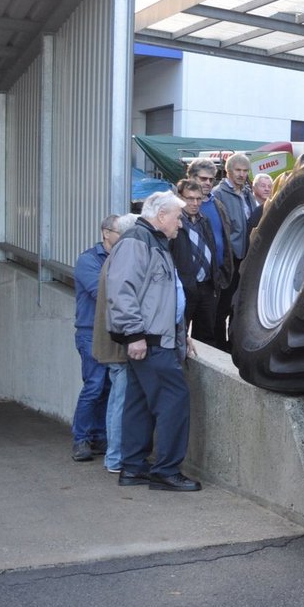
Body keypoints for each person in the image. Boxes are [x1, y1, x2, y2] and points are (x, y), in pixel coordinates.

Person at [105, 191, 201, 492]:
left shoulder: (150, 240)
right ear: (161, 216)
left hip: (154, 339)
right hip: (149, 340)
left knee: (139, 403)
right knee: (175, 400)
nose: (181, 224)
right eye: (177, 218)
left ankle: (133, 467)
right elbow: (122, 290)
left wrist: (179, 334)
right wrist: (134, 334)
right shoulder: (138, 241)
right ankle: (166, 471)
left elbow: (160, 296)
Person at [70, 215, 120, 461]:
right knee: (94, 385)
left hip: (111, 331)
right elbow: (100, 291)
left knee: (108, 385)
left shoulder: (120, 258)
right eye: (119, 231)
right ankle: (81, 439)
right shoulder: (88, 260)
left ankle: (100, 436)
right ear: (105, 233)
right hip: (90, 331)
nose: (123, 236)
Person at [92, 214, 137, 474]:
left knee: (116, 400)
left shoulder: (114, 257)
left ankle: (114, 456)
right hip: (119, 344)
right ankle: (116, 457)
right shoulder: (122, 257)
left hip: (113, 342)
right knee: (120, 401)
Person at [209, 152, 258, 347]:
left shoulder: (246, 193)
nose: (241, 174)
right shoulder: (219, 194)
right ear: (228, 171)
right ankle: (219, 345)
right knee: (223, 305)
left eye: (245, 171)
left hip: (246, 256)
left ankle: (234, 343)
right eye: (238, 170)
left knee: (238, 305)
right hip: (230, 258)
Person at [185, 158, 235, 348]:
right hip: (187, 280)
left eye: (211, 179)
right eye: (203, 178)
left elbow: (225, 239)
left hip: (212, 279)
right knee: (180, 331)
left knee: (206, 333)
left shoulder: (217, 204)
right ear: (191, 177)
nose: (207, 183)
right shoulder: (178, 205)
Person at [171, 178, 221, 346]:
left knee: (206, 336)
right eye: (189, 198)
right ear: (179, 197)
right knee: (180, 335)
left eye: (198, 199)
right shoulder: (174, 222)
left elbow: (212, 249)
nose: (195, 203)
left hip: (206, 286)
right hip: (184, 287)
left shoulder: (204, 220)